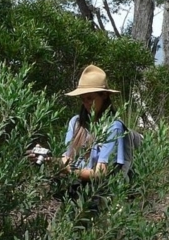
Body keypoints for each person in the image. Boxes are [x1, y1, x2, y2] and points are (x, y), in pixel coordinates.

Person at [27, 64, 125, 214]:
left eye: (90, 98)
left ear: (104, 95)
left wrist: (70, 171)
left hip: (100, 200)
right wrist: (49, 160)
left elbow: (100, 173)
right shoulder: (76, 123)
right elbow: (67, 158)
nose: (86, 103)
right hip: (74, 196)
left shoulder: (114, 127)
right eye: (83, 99)